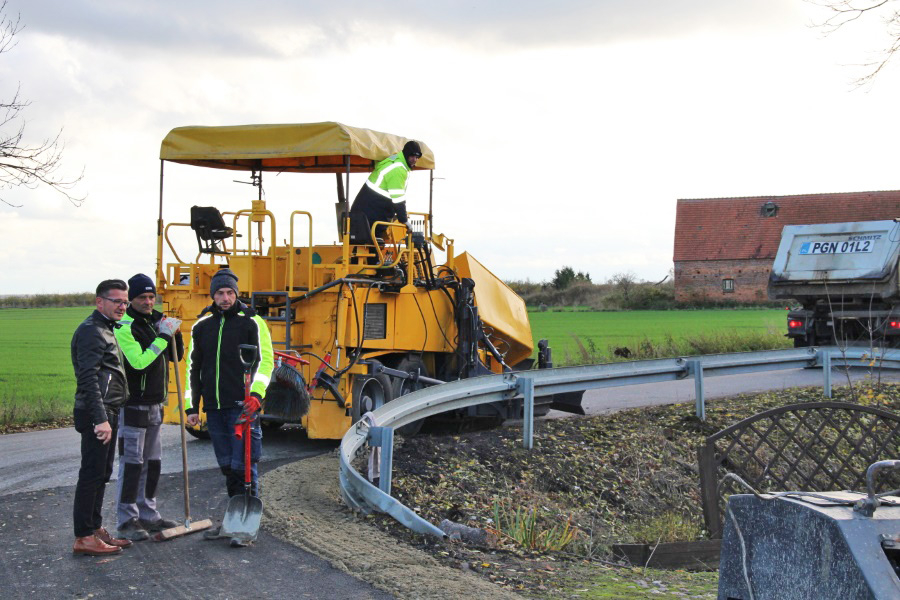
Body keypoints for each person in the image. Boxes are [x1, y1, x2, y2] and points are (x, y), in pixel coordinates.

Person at [184, 268, 274, 544]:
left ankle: (247, 527)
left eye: (229, 292)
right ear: (213, 295)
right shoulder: (202, 326)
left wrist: (256, 395)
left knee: (246, 463)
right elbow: (193, 368)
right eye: (220, 293)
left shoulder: (253, 322)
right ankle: (233, 521)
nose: (225, 297)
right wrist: (191, 407)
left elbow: (265, 361)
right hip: (214, 405)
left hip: (243, 405)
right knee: (227, 465)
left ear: (236, 294)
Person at [113, 273, 184, 541]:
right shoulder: (124, 326)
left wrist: (174, 335)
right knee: (132, 463)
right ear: (131, 299)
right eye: (142, 297)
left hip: (156, 402)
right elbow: (138, 363)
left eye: (152, 296)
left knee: (152, 463)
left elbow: (176, 356)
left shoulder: (157, 321)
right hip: (133, 404)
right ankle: (127, 519)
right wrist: (163, 337)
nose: (148, 301)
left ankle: (149, 515)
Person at [71, 279, 134, 556]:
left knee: (103, 472)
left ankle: (94, 528)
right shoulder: (91, 331)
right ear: (100, 302)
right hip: (98, 412)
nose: (122, 306)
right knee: (92, 472)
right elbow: (87, 377)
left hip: (109, 410)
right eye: (116, 301)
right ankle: (84, 536)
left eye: (124, 301)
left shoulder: (107, 329)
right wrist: (100, 419)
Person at [349, 140, 423, 245]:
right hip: (371, 215)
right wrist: (404, 220)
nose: (414, 160)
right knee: (371, 245)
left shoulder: (396, 161)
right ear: (406, 154)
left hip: (368, 213)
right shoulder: (398, 169)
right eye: (412, 156)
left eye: (417, 157)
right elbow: (398, 199)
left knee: (368, 246)